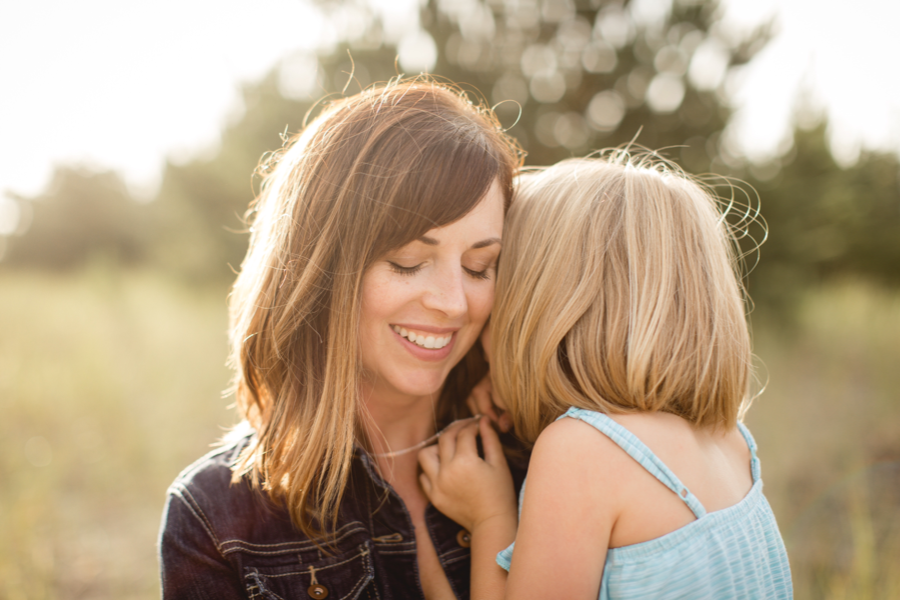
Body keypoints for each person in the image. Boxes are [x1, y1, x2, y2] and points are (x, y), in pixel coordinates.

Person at [157, 78, 524, 600]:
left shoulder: (536, 457)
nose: (454, 302)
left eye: (479, 266)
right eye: (408, 263)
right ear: (320, 268)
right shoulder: (217, 517)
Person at [418, 154, 793, 599]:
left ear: (534, 312)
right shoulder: (730, 442)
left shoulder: (580, 453)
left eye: (490, 279)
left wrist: (489, 517)